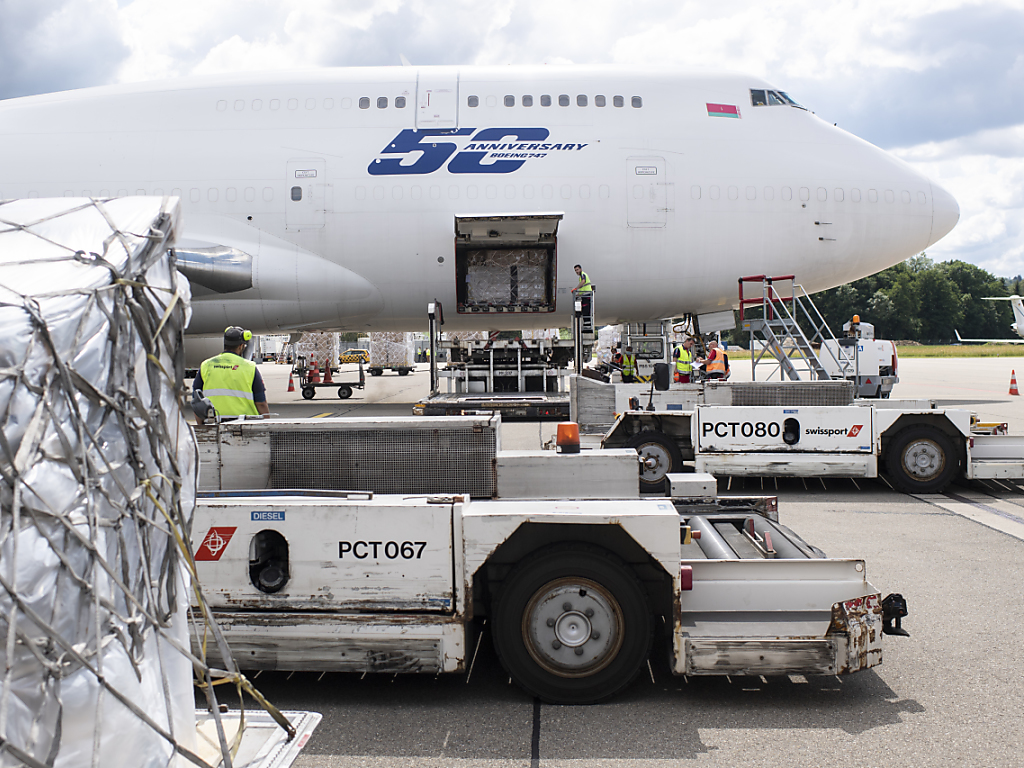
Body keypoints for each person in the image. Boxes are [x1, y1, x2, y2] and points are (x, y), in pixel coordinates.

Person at [193, 326, 269, 423]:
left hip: (214, 423)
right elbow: (261, 403)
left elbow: (197, 401)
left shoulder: (206, 365)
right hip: (245, 424)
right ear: (241, 346)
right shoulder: (249, 367)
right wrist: (267, 426)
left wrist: (202, 427)